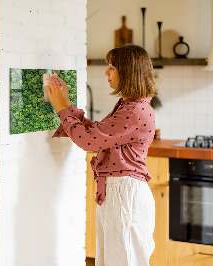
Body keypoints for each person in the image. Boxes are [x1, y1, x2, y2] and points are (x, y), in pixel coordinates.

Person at [45, 44, 157, 266]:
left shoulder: (134, 111)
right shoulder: (130, 106)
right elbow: (96, 133)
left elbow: (88, 141)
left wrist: (60, 108)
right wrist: (66, 104)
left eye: (112, 67)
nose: (106, 72)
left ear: (128, 72)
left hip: (125, 195)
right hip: (120, 193)